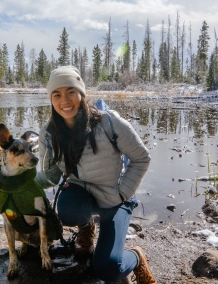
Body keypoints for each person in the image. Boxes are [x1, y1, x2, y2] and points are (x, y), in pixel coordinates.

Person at [35, 65, 157, 284]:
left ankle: (137, 256)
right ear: (51, 99)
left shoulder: (109, 123)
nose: (65, 100)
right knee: (68, 209)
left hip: (115, 199)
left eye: (70, 91)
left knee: (109, 269)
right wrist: (21, 182)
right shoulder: (48, 133)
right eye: (57, 94)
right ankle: (86, 226)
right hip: (82, 196)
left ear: (81, 93)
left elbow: (142, 158)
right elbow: (51, 175)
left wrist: (123, 194)